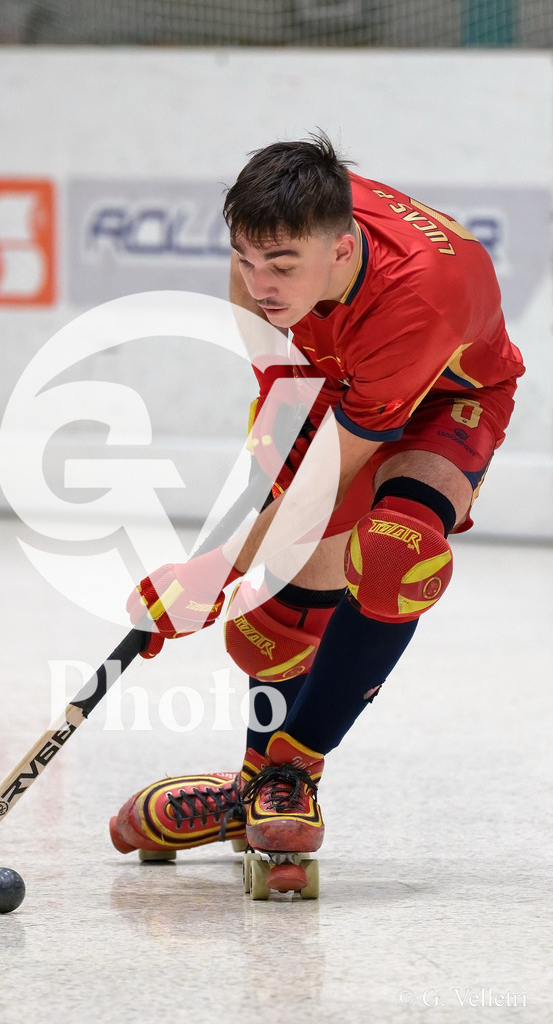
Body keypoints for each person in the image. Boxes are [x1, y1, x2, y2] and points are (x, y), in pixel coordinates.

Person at [109, 131, 525, 868]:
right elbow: (267, 311)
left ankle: (289, 772)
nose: (259, 280)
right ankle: (252, 787)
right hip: (328, 376)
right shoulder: (290, 228)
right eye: (245, 258)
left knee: (397, 550)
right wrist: (279, 389)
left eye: (281, 266)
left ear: (341, 250)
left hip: (448, 395)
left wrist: (207, 575)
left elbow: (330, 481)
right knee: (267, 618)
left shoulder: (417, 299)